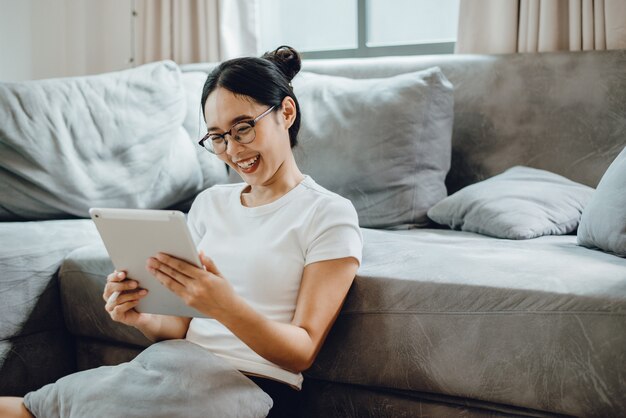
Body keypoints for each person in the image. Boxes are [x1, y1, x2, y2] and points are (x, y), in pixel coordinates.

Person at [0, 45, 362, 418]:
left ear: (286, 112)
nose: (233, 150)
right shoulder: (210, 204)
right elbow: (178, 330)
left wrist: (224, 305)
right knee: (30, 409)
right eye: (218, 137)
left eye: (243, 129)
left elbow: (302, 350)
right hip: (167, 369)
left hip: (250, 387)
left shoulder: (328, 213)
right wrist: (142, 317)